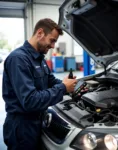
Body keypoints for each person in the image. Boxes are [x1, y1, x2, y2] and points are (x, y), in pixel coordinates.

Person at [2, 18, 77, 150]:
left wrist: (69, 84)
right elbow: (30, 100)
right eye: (52, 40)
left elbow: (51, 81)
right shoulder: (18, 59)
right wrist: (63, 87)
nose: (53, 46)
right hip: (22, 127)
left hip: (38, 121)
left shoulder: (39, 59)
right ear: (40, 33)